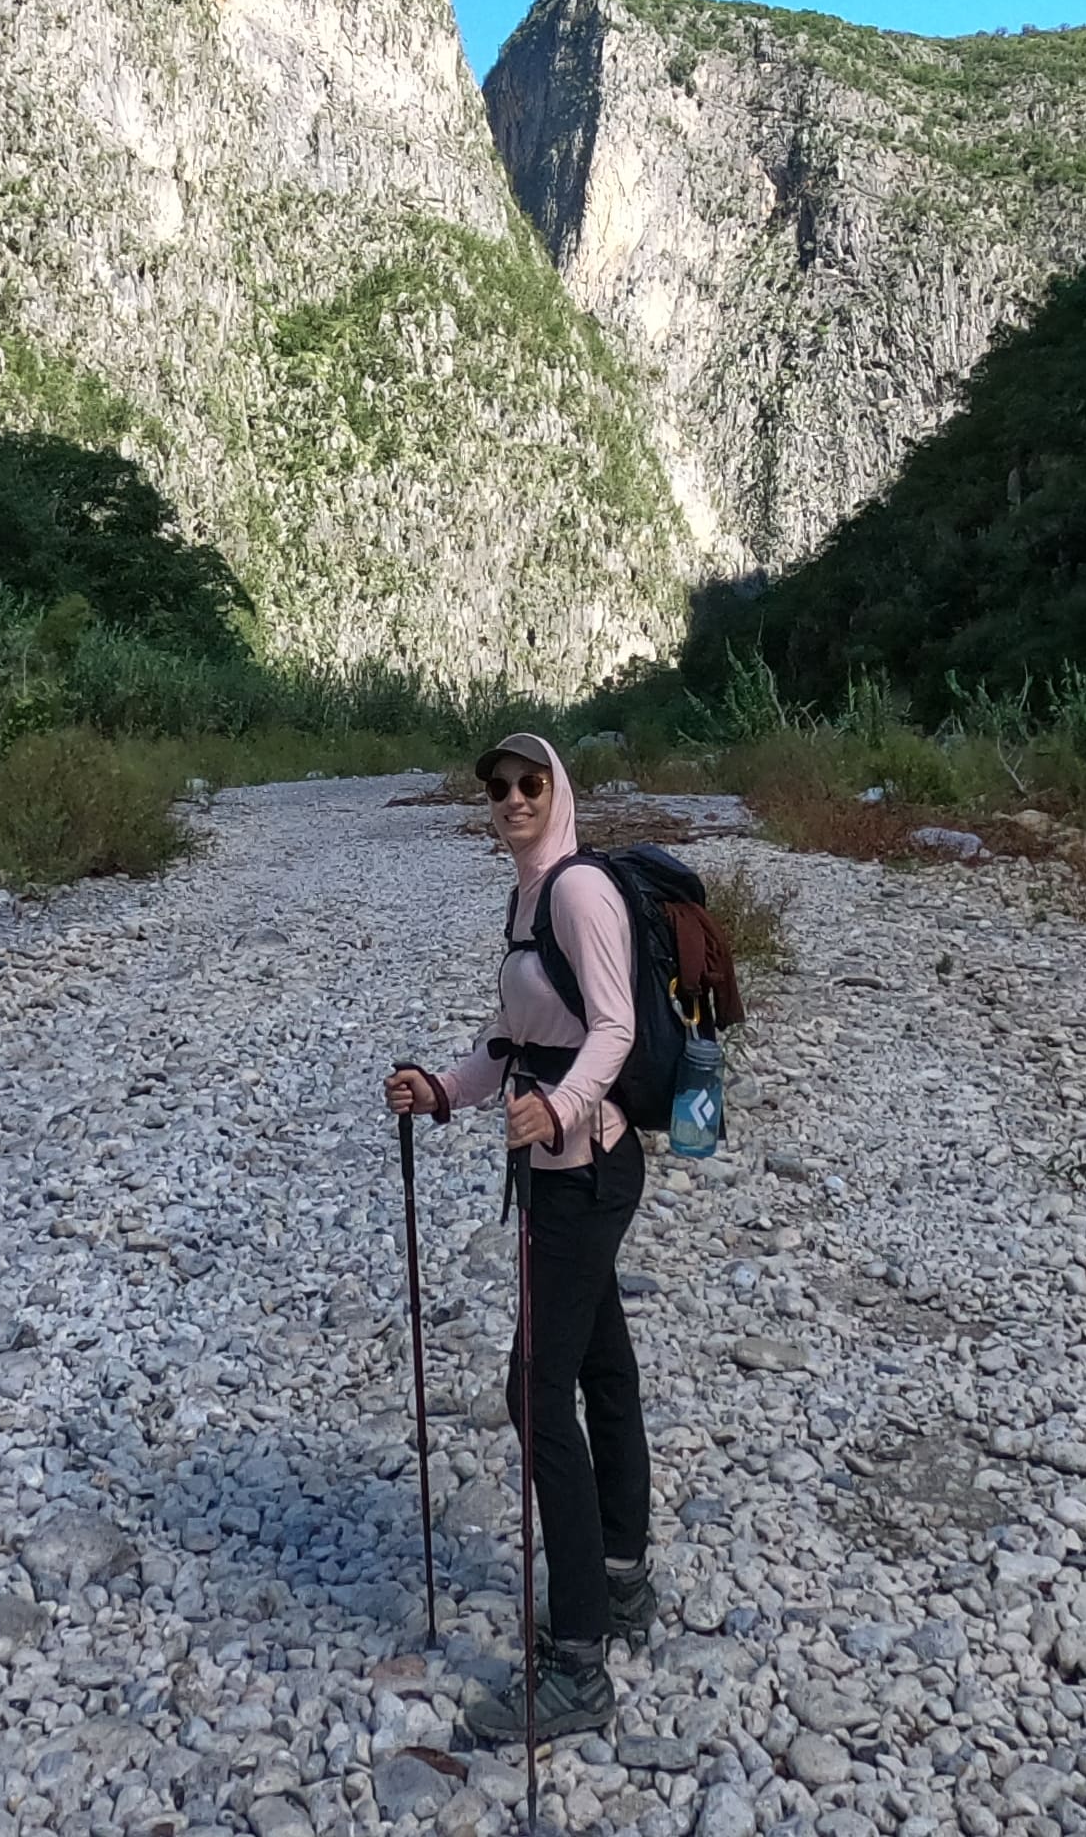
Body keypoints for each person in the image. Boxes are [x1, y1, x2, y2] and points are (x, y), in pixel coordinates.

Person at [383, 729, 656, 1745]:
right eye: (496, 788)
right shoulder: (528, 895)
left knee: (532, 1390)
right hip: (565, 1170)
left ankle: (576, 1663)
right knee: (599, 1366)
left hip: (582, 1170)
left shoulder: (577, 893)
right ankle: (623, 1578)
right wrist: (444, 1092)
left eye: (526, 784)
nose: (509, 799)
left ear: (558, 790)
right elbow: (515, 1043)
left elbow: (615, 1030)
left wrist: (560, 1110)